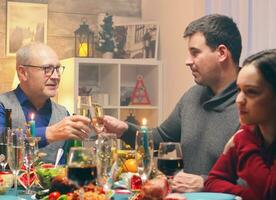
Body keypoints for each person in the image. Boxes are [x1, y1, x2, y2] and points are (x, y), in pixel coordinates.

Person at [102, 14, 242, 192]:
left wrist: (204, 183)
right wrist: (124, 129)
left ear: (222, 53)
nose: (187, 61)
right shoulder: (193, 96)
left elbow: (257, 180)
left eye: (195, 53)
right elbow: (161, 139)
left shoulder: (254, 105)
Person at [0, 42, 91, 164]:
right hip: (7, 182)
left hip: (51, 183)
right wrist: (47, 133)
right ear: (23, 73)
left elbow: (71, 162)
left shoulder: (63, 112)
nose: (55, 76)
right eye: (47, 69)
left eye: (57, 69)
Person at [204, 49, 276, 199]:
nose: (239, 100)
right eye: (239, 90)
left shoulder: (244, 138)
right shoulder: (248, 134)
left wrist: (243, 140)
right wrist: (248, 196)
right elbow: (213, 182)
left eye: (251, 92)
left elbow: (270, 192)